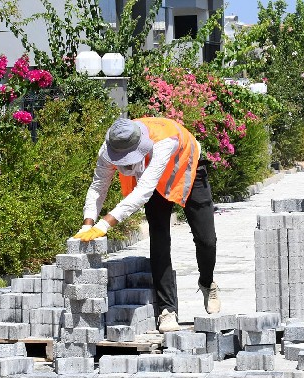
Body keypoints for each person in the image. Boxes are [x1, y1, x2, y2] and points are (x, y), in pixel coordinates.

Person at [75, 117, 220, 333]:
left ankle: (208, 283)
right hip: (151, 182)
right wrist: (88, 224)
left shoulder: (164, 142)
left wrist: (105, 224)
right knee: (159, 240)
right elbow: (98, 186)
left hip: (187, 168)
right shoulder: (109, 147)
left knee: (206, 239)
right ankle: (167, 310)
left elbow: (144, 190)